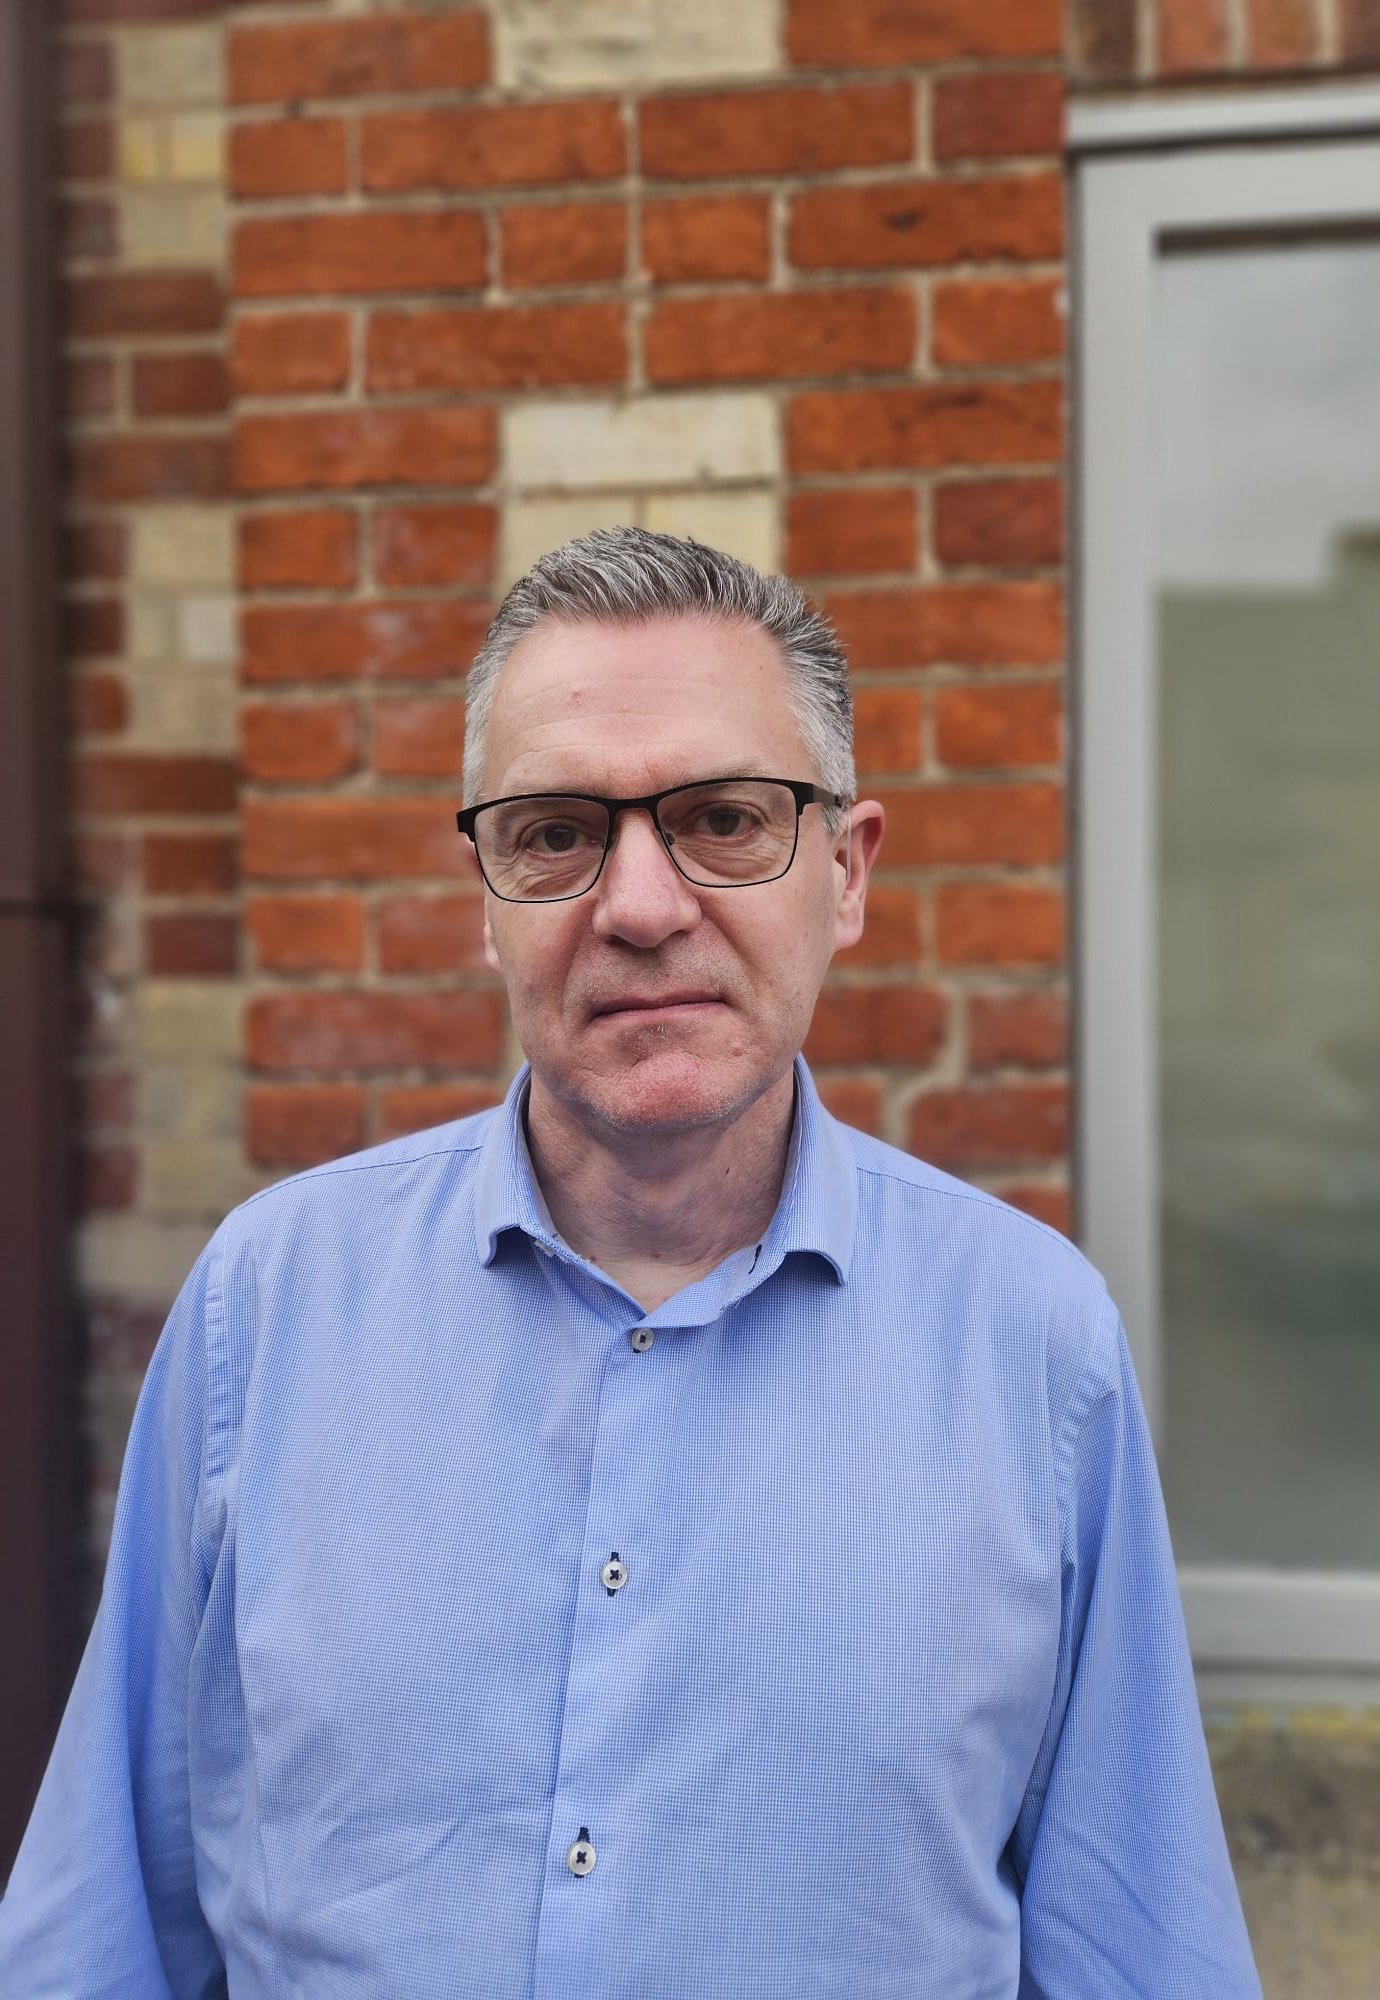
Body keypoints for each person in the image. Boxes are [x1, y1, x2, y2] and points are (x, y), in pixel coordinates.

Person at [0, 528, 1262, 1998]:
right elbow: (101, 1939)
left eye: (726, 819)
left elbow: (1139, 1957)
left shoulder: (1034, 1347)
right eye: (555, 832)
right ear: (488, 893)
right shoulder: (269, 1309)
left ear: (845, 876)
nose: (643, 905)